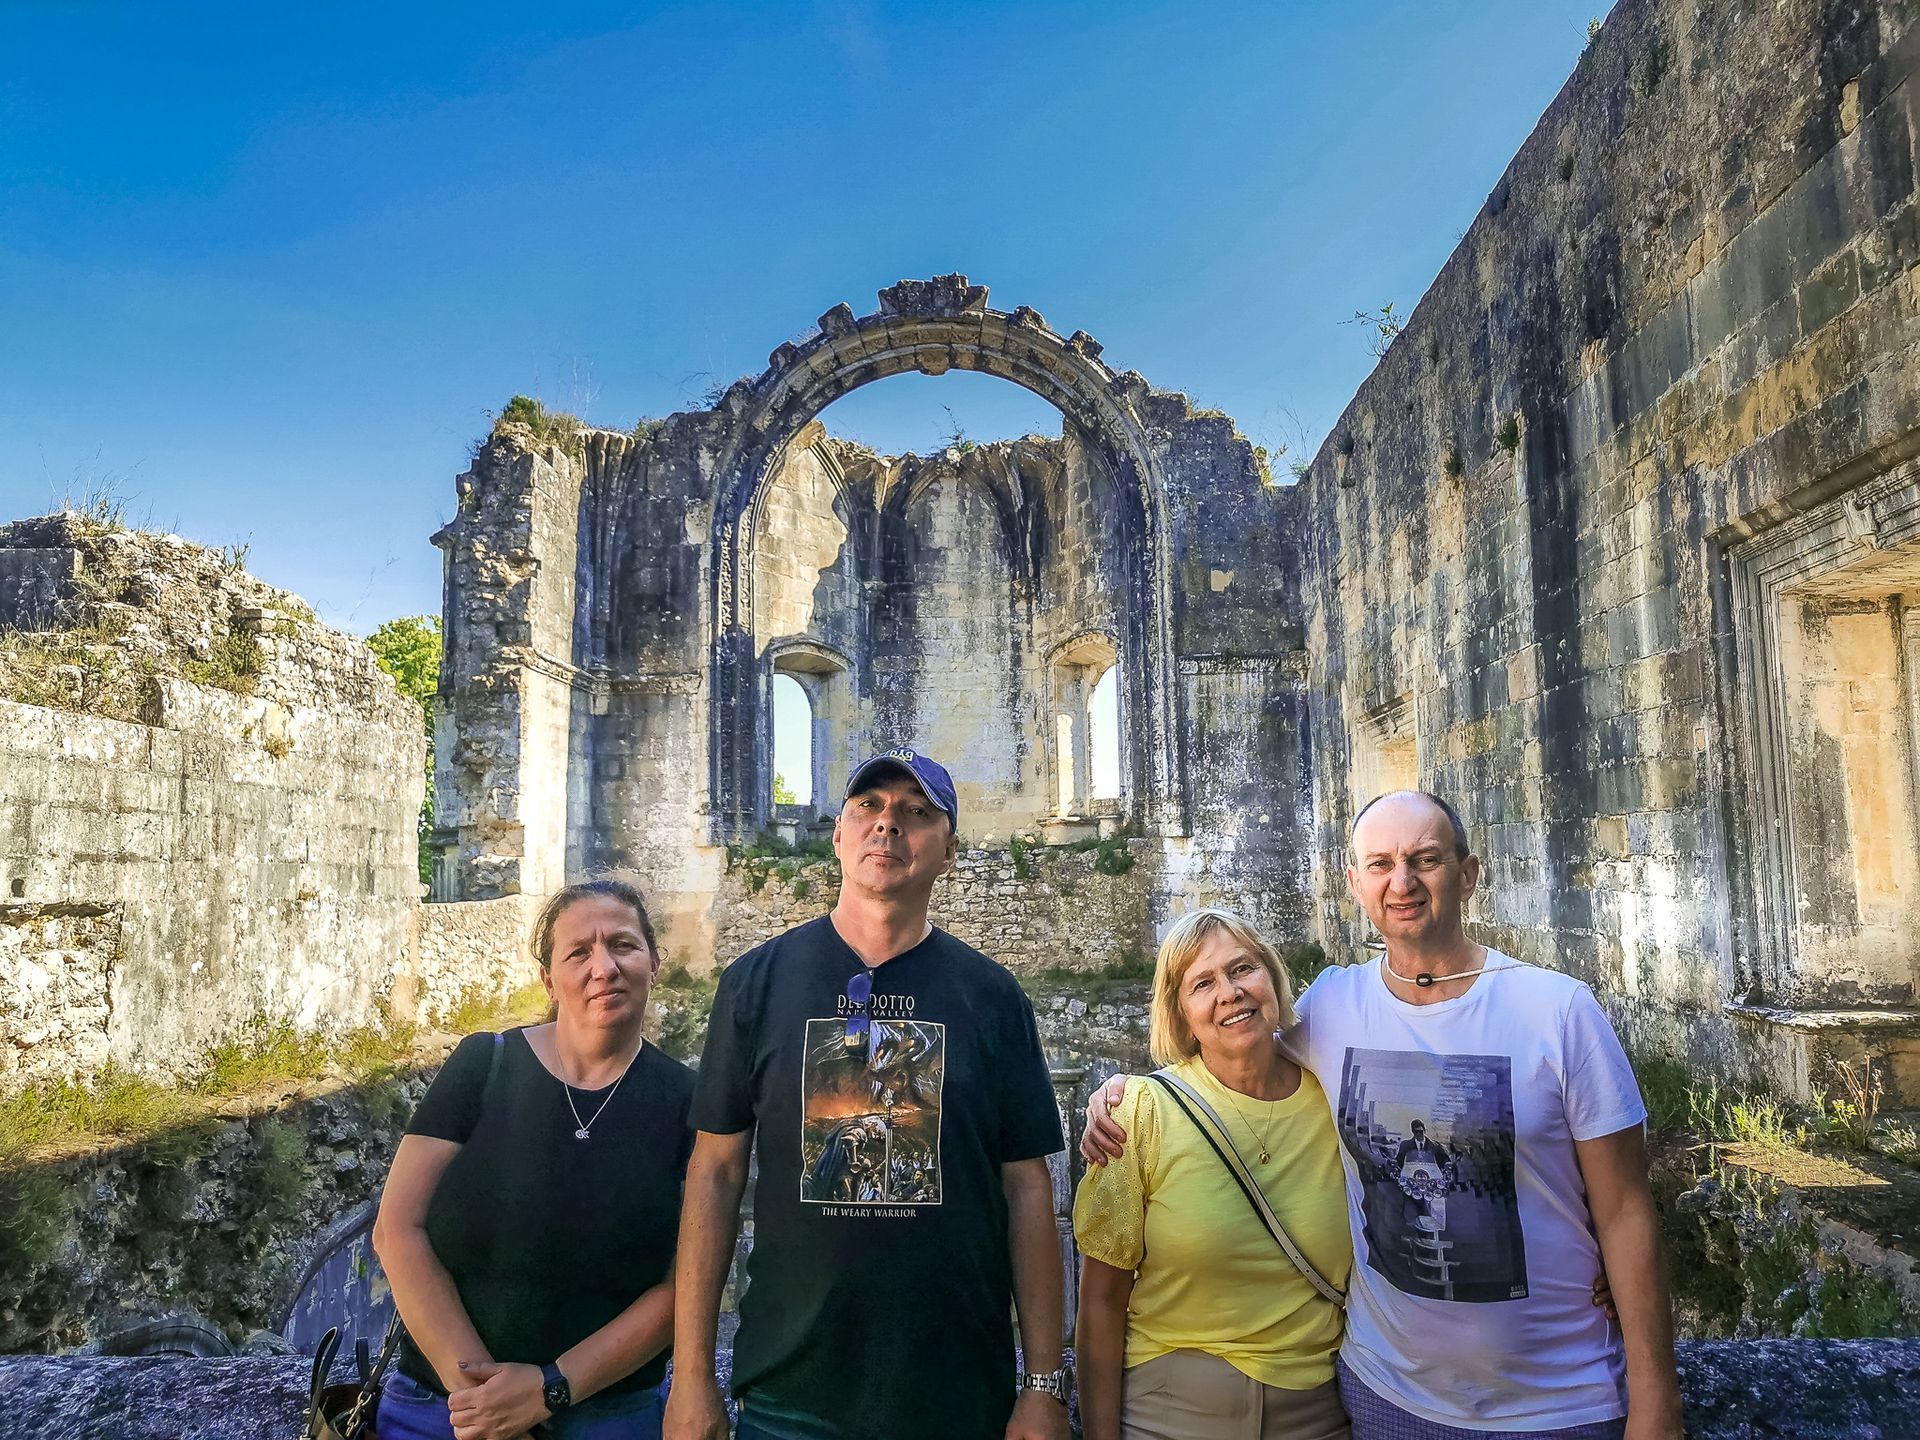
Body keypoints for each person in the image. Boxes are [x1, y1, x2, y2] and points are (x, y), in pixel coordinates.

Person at [1084, 791, 1684, 1440]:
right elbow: (1234, 1049)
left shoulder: (1560, 1012)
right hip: (1384, 1398)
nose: (1402, 881)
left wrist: (1655, 1399)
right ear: (1355, 884)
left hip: (1560, 1402)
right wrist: (1123, 1092)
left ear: (1468, 873)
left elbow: (1625, 1209)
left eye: (1424, 858)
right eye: (1380, 864)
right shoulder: (1333, 1007)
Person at [665, 748, 1070, 1440]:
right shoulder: (755, 985)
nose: (888, 825)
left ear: (948, 852)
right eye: (869, 808)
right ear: (839, 836)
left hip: (957, 1395)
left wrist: (1041, 1386)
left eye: (916, 814)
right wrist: (694, 1375)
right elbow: (715, 1174)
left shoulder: (993, 998)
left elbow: (1027, 1189)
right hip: (790, 1394)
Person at [372, 875, 695, 1440]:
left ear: (654, 960)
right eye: (578, 952)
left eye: (622, 944)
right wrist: (486, 1404)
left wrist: (548, 1391)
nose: (604, 967)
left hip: (609, 1416)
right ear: (548, 978)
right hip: (444, 1409)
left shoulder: (689, 1103)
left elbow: (681, 1284)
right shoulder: (484, 1065)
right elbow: (398, 1229)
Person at [1073, 908, 1351, 1440]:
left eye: (1243, 969)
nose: (1230, 992)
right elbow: (1102, 1299)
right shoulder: (1139, 1113)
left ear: (1271, 977)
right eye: (1202, 983)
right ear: (1180, 1014)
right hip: (1169, 1414)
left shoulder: (1333, 1097)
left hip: (1316, 1414)